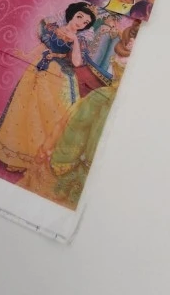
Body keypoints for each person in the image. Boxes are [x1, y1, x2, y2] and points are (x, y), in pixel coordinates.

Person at [0, 2, 96, 175]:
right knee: (26, 106)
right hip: (38, 68)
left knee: (52, 111)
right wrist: (27, 55)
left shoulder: (79, 40)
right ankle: (21, 154)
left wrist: (75, 40)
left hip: (58, 74)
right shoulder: (54, 29)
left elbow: (76, 62)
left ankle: (45, 157)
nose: (80, 23)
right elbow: (43, 47)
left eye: (85, 22)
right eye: (79, 17)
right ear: (72, 15)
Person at [49, 26, 134, 207]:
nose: (132, 41)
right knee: (81, 129)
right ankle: (70, 174)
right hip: (105, 97)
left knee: (99, 137)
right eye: (132, 37)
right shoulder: (120, 56)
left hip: (120, 102)